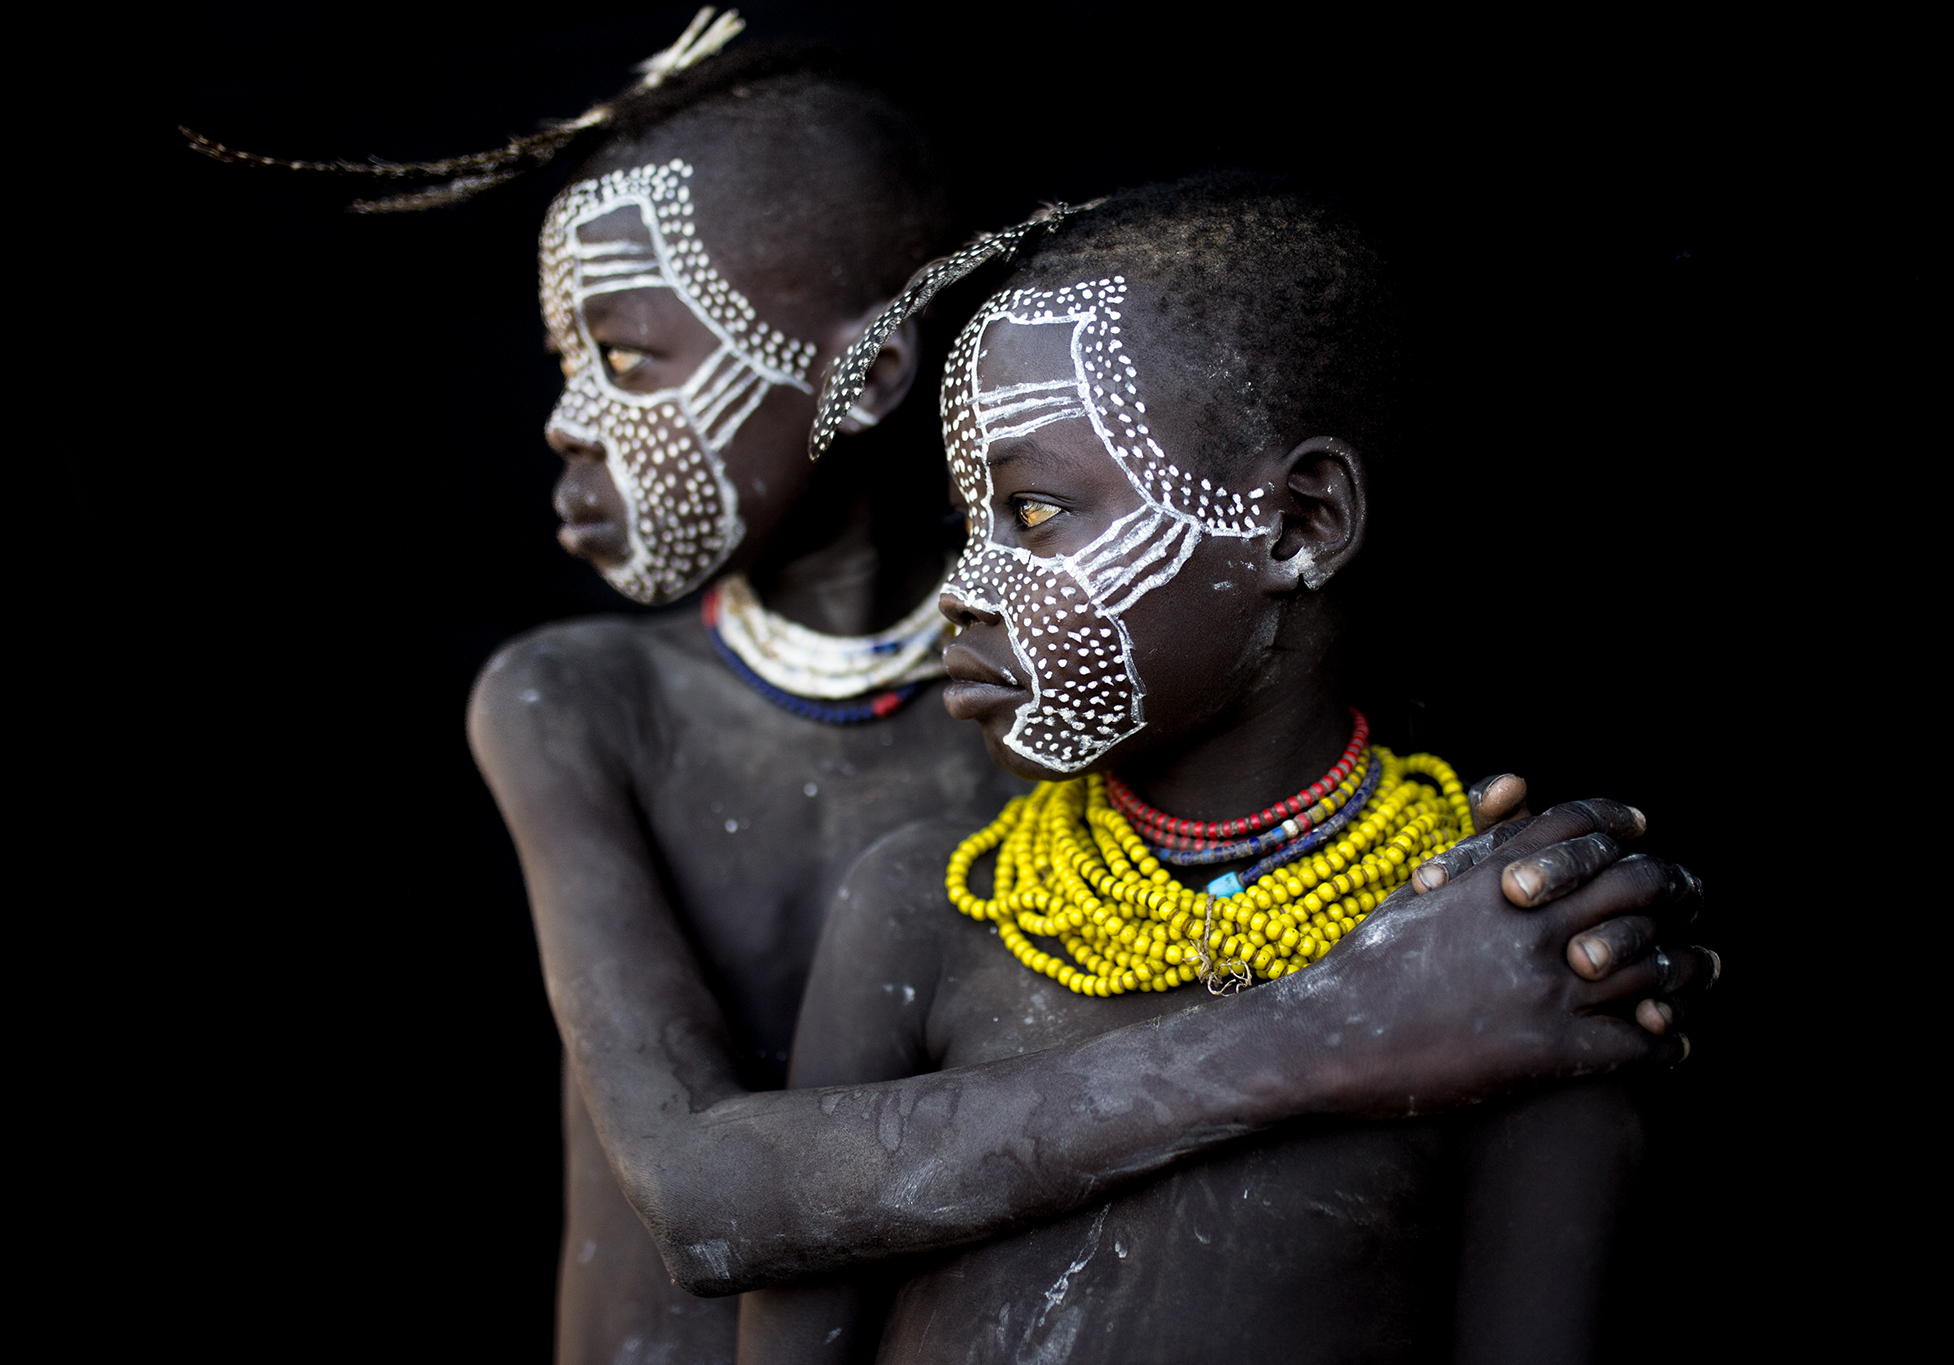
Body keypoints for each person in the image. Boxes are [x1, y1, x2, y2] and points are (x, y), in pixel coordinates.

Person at [191, 17, 1708, 1363]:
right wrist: (1354, 1026)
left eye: (633, 357)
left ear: (870, 371)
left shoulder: (1092, 716)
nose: (567, 422)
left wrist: (1480, 949)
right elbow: (708, 1201)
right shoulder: (612, 721)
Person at [740, 176, 1717, 1363]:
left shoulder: (1505, 944)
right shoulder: (927, 908)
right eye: (965, 520)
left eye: (1033, 510)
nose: (961, 585)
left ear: (1298, 524)